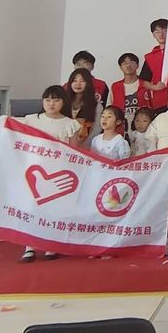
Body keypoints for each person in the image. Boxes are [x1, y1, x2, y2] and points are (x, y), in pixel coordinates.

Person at [21, 85, 80, 263]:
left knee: (54, 210)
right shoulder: (31, 120)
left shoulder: (71, 124)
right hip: (34, 171)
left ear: (64, 102)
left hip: (58, 172)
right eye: (47, 100)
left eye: (56, 100)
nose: (51, 104)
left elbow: (74, 152)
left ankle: (51, 245)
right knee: (32, 208)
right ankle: (29, 247)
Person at [110, 52, 151, 132]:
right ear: (120, 67)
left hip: (144, 131)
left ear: (137, 65)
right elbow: (110, 110)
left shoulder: (146, 85)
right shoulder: (115, 87)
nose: (128, 65)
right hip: (120, 130)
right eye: (125, 63)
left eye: (132, 62)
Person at [66, 67, 102, 148]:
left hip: (85, 147)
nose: (78, 84)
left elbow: (96, 130)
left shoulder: (96, 106)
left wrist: (83, 147)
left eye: (82, 81)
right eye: (74, 81)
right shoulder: (64, 102)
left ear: (88, 83)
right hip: (64, 146)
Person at [140, 18, 168, 115]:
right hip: (159, 100)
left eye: (164, 31)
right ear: (153, 35)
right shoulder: (150, 57)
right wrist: (155, 87)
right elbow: (143, 80)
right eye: (157, 32)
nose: (161, 34)